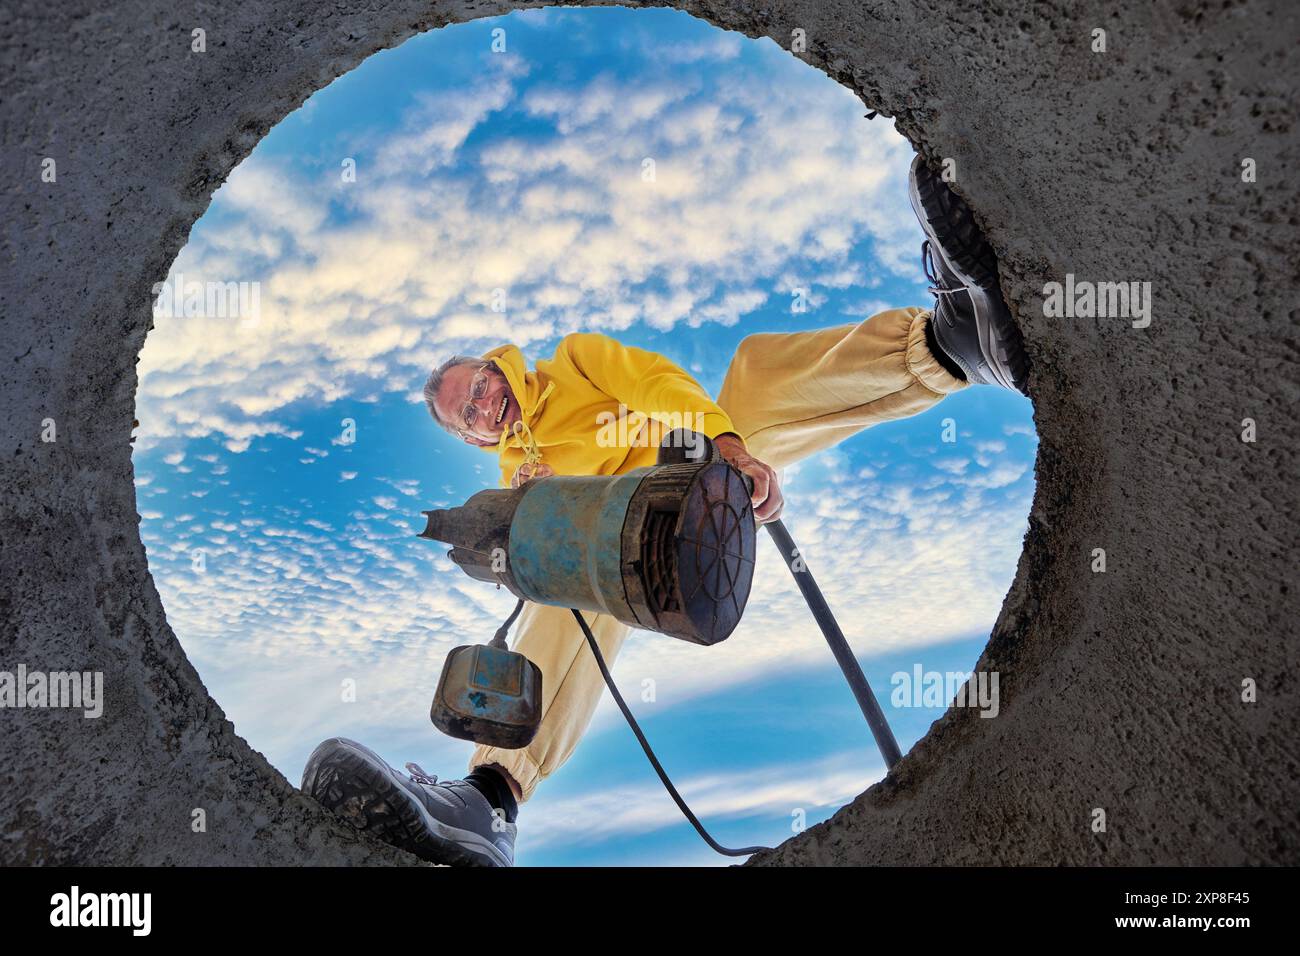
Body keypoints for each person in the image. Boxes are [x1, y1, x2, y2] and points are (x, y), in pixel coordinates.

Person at [300, 156, 1029, 866]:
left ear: (500, 367)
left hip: (691, 469)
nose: (485, 406)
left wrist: (726, 444)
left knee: (754, 373)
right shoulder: (516, 477)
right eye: (470, 414)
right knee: (558, 593)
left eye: (481, 386)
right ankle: (489, 801)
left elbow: (654, 383)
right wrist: (528, 519)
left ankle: (956, 342)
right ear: (472, 437)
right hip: (633, 548)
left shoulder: (574, 362)